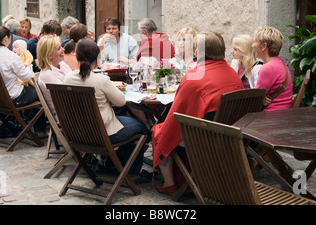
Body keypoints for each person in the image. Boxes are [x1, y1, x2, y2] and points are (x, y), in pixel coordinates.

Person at [151, 31, 244, 194]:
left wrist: (164, 134)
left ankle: (169, 183)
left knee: (159, 131)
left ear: (200, 52)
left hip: (202, 139)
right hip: (229, 136)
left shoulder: (194, 76)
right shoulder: (232, 74)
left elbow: (176, 114)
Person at [64, 39, 149, 176]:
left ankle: (113, 161)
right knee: (143, 129)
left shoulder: (68, 78)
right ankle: (130, 171)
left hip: (78, 132)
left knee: (124, 120)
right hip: (102, 133)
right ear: (97, 59)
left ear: (78, 57)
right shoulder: (101, 80)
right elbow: (121, 102)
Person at [0, 26, 47, 136]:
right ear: (6, 38)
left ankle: (19, 124)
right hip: (13, 97)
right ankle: (39, 130)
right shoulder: (11, 56)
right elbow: (26, 77)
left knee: (32, 90)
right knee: (40, 91)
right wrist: (28, 66)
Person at [252, 26, 293, 111]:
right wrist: (262, 98)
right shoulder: (280, 62)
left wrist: (260, 98)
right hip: (281, 114)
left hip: (271, 116)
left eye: (254, 42)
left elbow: (254, 98)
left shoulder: (268, 68)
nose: (252, 45)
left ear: (264, 46)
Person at [36, 35, 71, 123]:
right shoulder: (48, 75)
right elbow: (67, 97)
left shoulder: (61, 65)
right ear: (49, 55)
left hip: (72, 108)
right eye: (59, 48)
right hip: (66, 116)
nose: (63, 49)